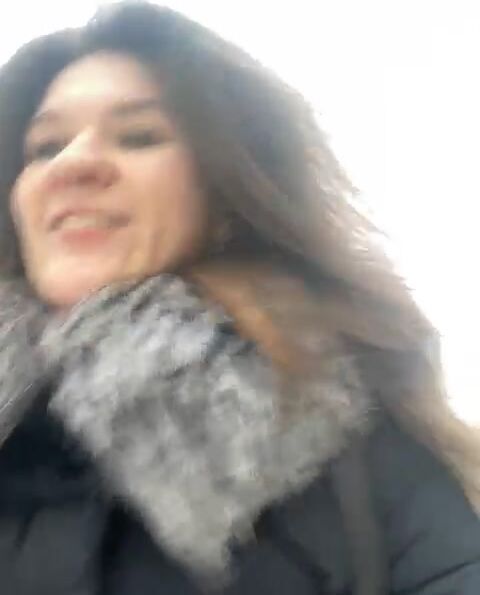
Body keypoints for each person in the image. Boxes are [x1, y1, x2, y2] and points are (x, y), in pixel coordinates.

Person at [0, 2, 478, 594]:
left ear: (224, 197)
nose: (72, 163)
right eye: (45, 147)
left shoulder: (351, 442)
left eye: (139, 136)